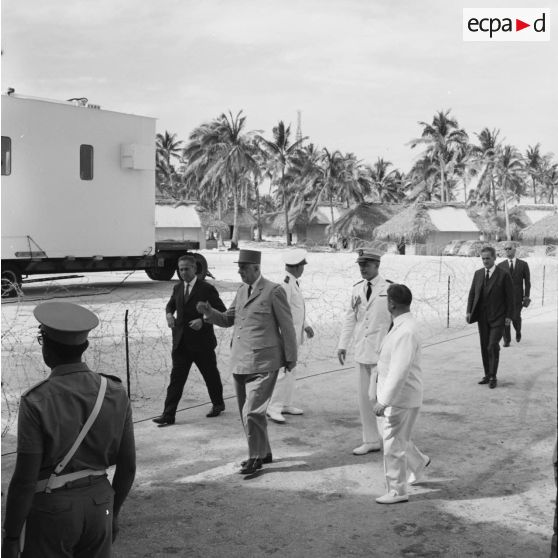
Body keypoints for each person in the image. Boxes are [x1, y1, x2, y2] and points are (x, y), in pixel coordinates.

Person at [1, 301, 136, 558]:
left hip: (52, 509)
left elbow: (25, 480)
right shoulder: (115, 392)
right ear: (84, 347)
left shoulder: (37, 400)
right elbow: (128, 467)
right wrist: (113, 514)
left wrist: (11, 535)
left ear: (47, 348)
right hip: (100, 503)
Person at [197, 249, 297, 475]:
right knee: (249, 412)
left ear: (256, 268)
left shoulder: (274, 291)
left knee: (252, 411)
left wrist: (291, 358)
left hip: (264, 363)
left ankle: (255, 457)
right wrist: (209, 313)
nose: (239, 271)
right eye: (238, 267)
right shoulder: (242, 291)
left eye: (243, 267)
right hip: (240, 362)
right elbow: (227, 319)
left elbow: (287, 327)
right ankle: (265, 452)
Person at [153, 254, 227, 427]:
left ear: (195, 269)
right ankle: (168, 414)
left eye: (187, 269)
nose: (183, 272)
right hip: (181, 343)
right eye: (181, 269)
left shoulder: (206, 289)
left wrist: (204, 320)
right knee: (176, 380)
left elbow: (221, 311)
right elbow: (170, 304)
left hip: (202, 343)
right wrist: (169, 314)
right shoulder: (178, 288)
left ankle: (218, 404)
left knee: (210, 375)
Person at [373, 284, 429, 504]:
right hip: (403, 396)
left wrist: (384, 401)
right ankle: (419, 462)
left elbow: (399, 370)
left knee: (392, 443)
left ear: (391, 304)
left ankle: (397, 490)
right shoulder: (402, 325)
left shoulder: (405, 331)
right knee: (399, 438)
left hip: (400, 398)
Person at [337, 249, 392, 455]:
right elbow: (350, 318)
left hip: (381, 353)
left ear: (377, 266)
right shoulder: (357, 289)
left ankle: (390, 439)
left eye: (366, 265)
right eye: (360, 265)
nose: (362, 269)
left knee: (382, 400)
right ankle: (370, 440)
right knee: (363, 399)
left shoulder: (389, 288)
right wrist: (342, 344)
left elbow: (395, 321)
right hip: (361, 351)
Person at [267, 248, 314, 423]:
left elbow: (295, 310)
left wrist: (306, 326)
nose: (303, 269)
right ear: (296, 267)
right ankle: (273, 407)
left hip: (294, 335)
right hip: (286, 336)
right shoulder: (285, 284)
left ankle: (285, 403)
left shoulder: (293, 281)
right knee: (282, 372)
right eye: (302, 265)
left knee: (291, 371)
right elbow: (282, 312)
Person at [466, 245, 514, 389]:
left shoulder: (503, 274)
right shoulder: (478, 274)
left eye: (488, 258)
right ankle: (487, 374)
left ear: (494, 258)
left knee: (492, 345)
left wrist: (509, 316)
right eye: (483, 259)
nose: (485, 261)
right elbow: (472, 294)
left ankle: (493, 375)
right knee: (484, 347)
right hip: (482, 317)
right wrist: (469, 311)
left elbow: (510, 298)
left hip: (498, 317)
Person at [497, 242, 531, 347]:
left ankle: (518, 331)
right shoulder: (500, 266)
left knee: (516, 317)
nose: (507, 250)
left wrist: (526, 296)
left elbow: (527, 282)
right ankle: (507, 340)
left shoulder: (523, 264)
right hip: (504, 298)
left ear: (514, 250)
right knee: (505, 318)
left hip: (517, 298)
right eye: (505, 249)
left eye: (509, 248)